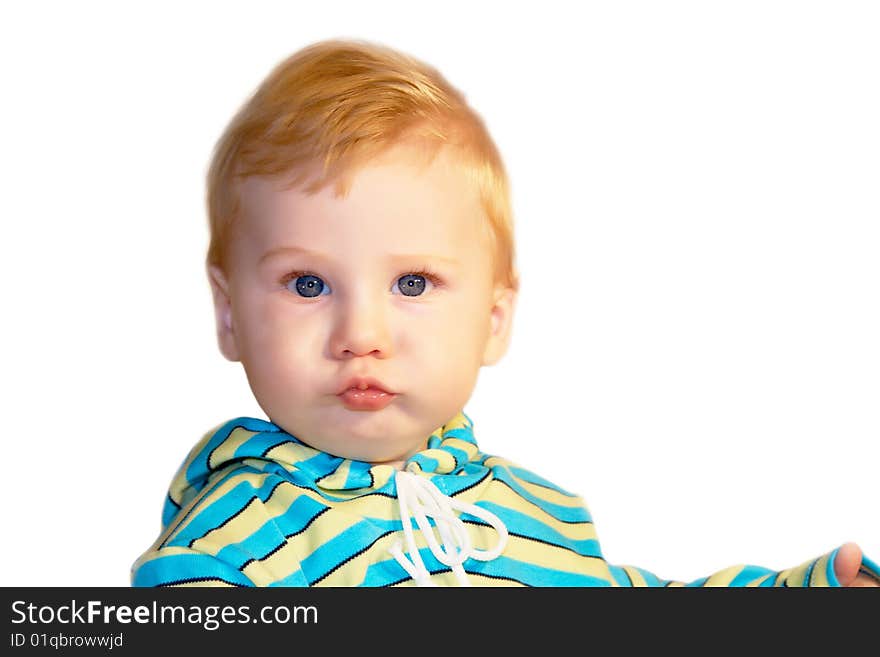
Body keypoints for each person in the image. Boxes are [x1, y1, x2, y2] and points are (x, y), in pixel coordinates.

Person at [131, 38, 878, 587]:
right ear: (228, 316)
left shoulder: (540, 519)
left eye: (414, 284)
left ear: (494, 318)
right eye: (307, 285)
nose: (362, 335)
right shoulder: (232, 543)